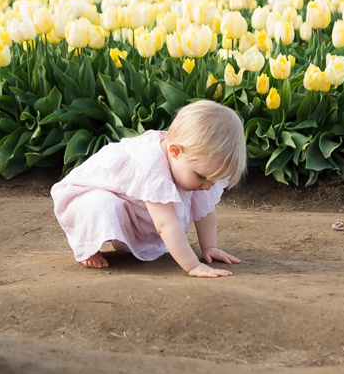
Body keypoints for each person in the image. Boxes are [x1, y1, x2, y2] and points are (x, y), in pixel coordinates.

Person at [52, 100, 246, 276]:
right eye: (203, 177)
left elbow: (205, 212)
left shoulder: (191, 165)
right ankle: (88, 246)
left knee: (189, 195)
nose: (208, 186)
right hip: (83, 197)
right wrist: (193, 266)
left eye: (214, 180)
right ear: (175, 151)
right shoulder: (151, 168)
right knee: (104, 205)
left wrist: (209, 247)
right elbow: (165, 224)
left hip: (128, 202)